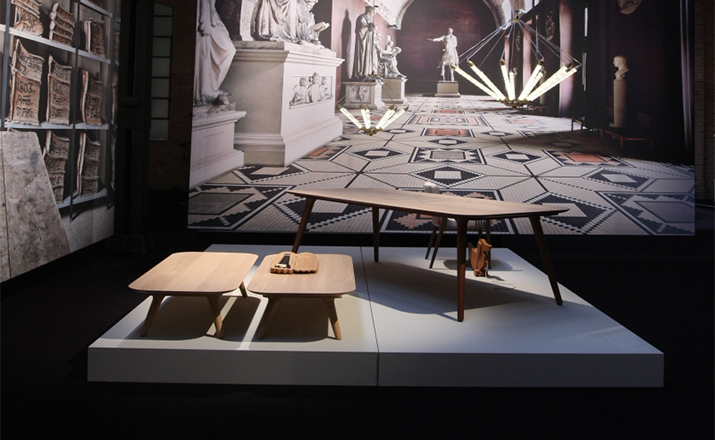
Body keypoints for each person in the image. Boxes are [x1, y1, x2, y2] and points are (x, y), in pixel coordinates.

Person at [193, 0, 236, 105]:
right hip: (201, 13)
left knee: (229, 49)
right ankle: (204, 92)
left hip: (211, 15)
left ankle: (209, 90)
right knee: (201, 53)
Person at [353, 5, 378, 79]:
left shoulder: (370, 19)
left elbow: (372, 30)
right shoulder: (361, 17)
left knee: (370, 57)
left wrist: (373, 28)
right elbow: (360, 29)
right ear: (370, 11)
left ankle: (370, 74)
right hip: (363, 41)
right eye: (373, 12)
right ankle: (362, 73)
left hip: (369, 42)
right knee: (363, 55)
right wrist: (369, 26)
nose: (374, 14)